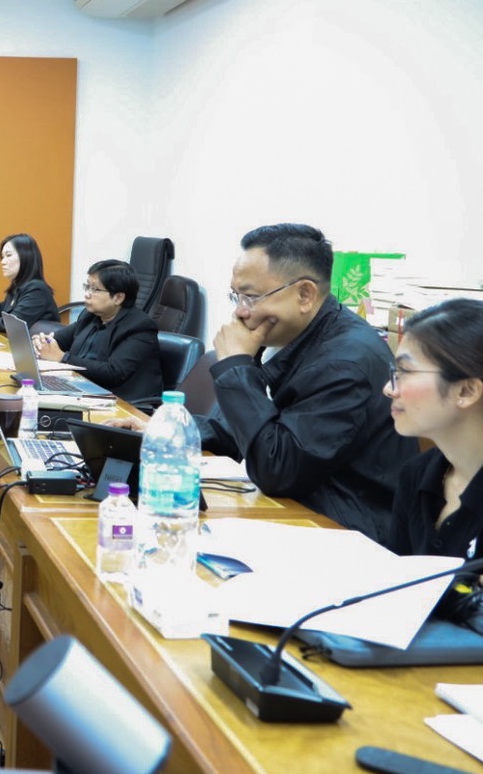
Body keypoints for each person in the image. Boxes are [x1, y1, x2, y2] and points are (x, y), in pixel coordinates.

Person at [113, 223, 414, 539]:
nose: (240, 313)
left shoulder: (346, 361)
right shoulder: (299, 337)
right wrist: (171, 432)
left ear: (305, 294)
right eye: (236, 296)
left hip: (344, 531)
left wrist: (235, 366)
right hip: (298, 513)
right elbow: (243, 432)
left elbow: (276, 469)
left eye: (251, 297)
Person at [383, 299, 483, 619]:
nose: (389, 389)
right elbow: (394, 594)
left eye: (403, 372)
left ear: (467, 391)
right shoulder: (417, 474)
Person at [33, 259, 161, 402]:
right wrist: (42, 342)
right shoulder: (89, 316)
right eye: (87, 286)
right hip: (82, 391)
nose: (87, 294)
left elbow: (113, 373)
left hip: (120, 403)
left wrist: (63, 358)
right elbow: (57, 340)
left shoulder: (140, 326)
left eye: (95, 289)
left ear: (118, 297)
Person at [0, 233, 59, 332]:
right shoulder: (18, 288)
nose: (3, 262)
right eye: (2, 257)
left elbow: (13, 324)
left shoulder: (37, 290)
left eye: (8, 255)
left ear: (25, 256)